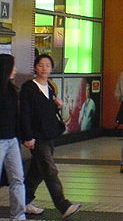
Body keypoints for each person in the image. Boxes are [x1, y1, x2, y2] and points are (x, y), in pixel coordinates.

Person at [20, 54, 82, 218]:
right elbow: (25, 114)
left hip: (49, 135)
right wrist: (27, 136)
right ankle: (63, 205)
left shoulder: (50, 87)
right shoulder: (29, 88)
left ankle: (23, 201)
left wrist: (58, 106)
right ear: (35, 67)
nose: (44, 68)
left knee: (37, 171)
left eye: (47, 65)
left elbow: (47, 112)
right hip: (36, 137)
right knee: (49, 170)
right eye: (41, 65)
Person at [0, 54, 26, 220]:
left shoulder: (12, 89)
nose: (15, 70)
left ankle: (18, 215)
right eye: (13, 66)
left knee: (18, 178)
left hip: (12, 140)